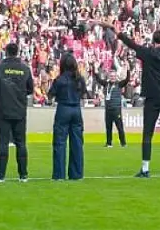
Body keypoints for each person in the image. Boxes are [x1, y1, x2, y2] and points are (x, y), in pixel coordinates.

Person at [110, 20, 160, 178]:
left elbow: (131, 44)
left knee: (147, 134)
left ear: (153, 41)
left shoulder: (148, 53)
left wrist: (118, 32)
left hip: (153, 98)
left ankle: (145, 168)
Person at [0, 42, 34, 182]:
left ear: (6, 52)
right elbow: (30, 89)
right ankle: (23, 174)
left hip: (3, 110)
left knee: (3, 142)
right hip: (19, 110)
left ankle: (0, 175)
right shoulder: (25, 69)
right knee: (21, 143)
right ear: (17, 52)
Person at [48, 53, 87, 181]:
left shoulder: (59, 79)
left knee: (60, 143)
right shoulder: (79, 79)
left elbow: (50, 95)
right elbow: (83, 94)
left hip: (63, 108)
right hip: (76, 109)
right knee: (77, 143)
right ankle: (76, 174)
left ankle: (59, 174)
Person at [95, 64, 127, 148]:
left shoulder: (119, 84)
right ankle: (109, 143)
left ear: (116, 76)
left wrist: (128, 70)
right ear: (109, 76)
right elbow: (98, 79)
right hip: (108, 109)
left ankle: (123, 143)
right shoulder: (106, 84)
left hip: (116, 109)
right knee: (108, 127)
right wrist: (95, 69)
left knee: (120, 127)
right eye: (111, 76)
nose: (112, 77)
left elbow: (127, 80)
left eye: (114, 76)